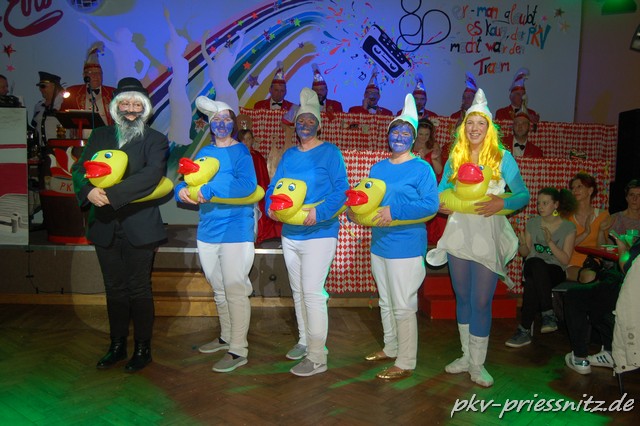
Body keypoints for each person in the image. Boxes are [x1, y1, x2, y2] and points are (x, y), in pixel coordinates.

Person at [426, 88, 530, 387]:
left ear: (489, 128)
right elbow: (441, 192)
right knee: (462, 296)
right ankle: (465, 356)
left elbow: (522, 195)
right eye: (470, 123)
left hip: (487, 232)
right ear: (464, 127)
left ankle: (478, 363)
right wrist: (441, 204)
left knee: (481, 300)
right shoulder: (455, 157)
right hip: (459, 232)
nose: (474, 128)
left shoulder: (503, 158)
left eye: (480, 123)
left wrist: (501, 203)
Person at [71, 77, 170, 372]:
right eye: (125, 103)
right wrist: (88, 190)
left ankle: (142, 349)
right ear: (116, 107)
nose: (130, 110)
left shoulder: (156, 140)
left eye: (136, 104)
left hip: (140, 227)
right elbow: (79, 169)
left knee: (139, 288)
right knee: (113, 288)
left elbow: (151, 176)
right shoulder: (100, 135)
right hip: (104, 226)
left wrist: (110, 196)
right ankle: (116, 346)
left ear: (145, 109)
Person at [352, 94, 439, 379]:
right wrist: (356, 212)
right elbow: (370, 201)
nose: (399, 137)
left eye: (405, 133)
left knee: (403, 305)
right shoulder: (378, 168)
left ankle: (406, 360)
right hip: (380, 243)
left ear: (413, 139)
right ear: (388, 135)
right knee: (386, 301)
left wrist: (395, 210)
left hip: (407, 245)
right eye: (395, 132)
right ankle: (390, 348)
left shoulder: (422, 168)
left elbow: (431, 205)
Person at [265, 88, 349, 376]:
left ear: (318, 125)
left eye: (311, 120)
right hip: (291, 233)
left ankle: (317, 355)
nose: (305, 125)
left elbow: (341, 190)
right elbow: (274, 187)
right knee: (299, 291)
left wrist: (319, 212)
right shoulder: (289, 155)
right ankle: (304, 341)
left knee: (313, 293)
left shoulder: (330, 152)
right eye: (301, 120)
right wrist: (270, 206)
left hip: (320, 232)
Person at [175, 97, 257, 373]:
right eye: (217, 120)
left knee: (234, 288)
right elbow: (187, 180)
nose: (222, 124)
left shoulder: (241, 152)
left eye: (226, 119)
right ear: (210, 125)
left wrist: (211, 190)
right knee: (219, 288)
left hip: (236, 229)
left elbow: (248, 185)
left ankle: (238, 349)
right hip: (208, 230)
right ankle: (226, 337)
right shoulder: (205, 152)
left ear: (234, 124)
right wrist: (181, 192)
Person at [505, 188, 577, 348]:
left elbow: (565, 260)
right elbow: (525, 253)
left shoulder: (568, 227)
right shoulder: (533, 223)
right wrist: (522, 244)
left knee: (532, 283)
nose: (540, 207)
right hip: (532, 266)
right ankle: (548, 313)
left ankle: (524, 331)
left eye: (545, 203)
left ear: (556, 205)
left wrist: (550, 242)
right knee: (536, 263)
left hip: (554, 270)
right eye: (538, 203)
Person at [564, 230, 639, 375]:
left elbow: (626, 267)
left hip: (631, 303)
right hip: (629, 299)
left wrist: (623, 247)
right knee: (604, 289)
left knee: (575, 296)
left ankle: (580, 358)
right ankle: (610, 352)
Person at [238, 128, 282, 245]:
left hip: (255, 195)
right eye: (243, 139)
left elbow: (262, 177)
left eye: (248, 139)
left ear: (252, 140)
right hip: (239, 195)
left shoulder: (257, 157)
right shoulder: (236, 157)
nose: (246, 142)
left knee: (254, 216)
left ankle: (253, 240)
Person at [60, 42, 116, 130]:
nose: (96, 76)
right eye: (91, 73)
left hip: (106, 136)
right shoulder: (73, 92)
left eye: (98, 73)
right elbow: (63, 116)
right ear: (84, 76)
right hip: (80, 137)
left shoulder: (112, 92)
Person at [565, 172, 610, 283]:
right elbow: (565, 246)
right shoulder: (566, 216)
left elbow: (602, 248)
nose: (575, 190)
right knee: (589, 276)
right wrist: (585, 232)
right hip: (570, 263)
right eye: (572, 188)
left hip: (594, 263)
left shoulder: (603, 215)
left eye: (579, 186)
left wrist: (601, 231)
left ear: (590, 191)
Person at [413, 119, 447, 245]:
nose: (423, 137)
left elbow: (439, 171)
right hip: (413, 185)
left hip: (429, 184)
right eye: (421, 134)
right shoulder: (409, 144)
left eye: (426, 134)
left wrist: (432, 159)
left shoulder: (434, 146)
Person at [597, 179, 640, 246]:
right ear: (626, 197)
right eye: (631, 195)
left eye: (639, 195)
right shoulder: (616, 219)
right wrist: (601, 231)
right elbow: (603, 247)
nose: (635, 199)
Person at [31, 71, 65, 147]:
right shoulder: (38, 106)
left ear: (54, 86)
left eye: (43, 86)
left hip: (60, 148)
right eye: (40, 87)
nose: (40, 89)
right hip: (42, 148)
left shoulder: (64, 104)